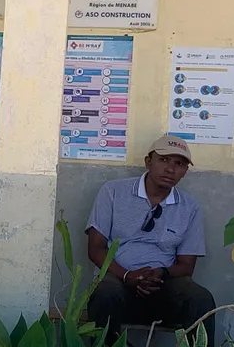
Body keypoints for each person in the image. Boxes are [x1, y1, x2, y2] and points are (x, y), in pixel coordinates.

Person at [85, 134, 215, 335]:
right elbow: (95, 248)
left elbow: (186, 265)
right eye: (163, 160)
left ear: (185, 172)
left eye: (179, 164)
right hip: (118, 280)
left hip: (162, 286)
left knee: (200, 298)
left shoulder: (189, 207)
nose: (170, 169)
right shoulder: (113, 192)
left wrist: (161, 273)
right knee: (105, 293)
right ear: (148, 162)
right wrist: (128, 275)